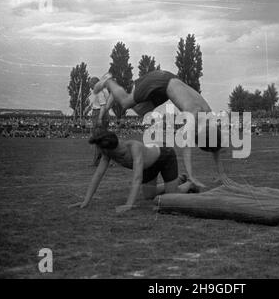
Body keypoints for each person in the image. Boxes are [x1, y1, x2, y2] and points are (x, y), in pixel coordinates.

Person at [89, 70, 230, 188]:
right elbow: (186, 146)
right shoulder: (194, 113)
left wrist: (222, 175)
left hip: (166, 88)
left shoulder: (209, 120)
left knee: (140, 110)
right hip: (160, 81)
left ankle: (116, 93)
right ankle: (109, 81)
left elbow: (215, 145)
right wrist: (191, 175)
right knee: (125, 102)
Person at [68, 129, 198, 213]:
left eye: (98, 148)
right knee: (149, 196)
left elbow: (137, 178)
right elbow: (98, 175)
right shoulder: (108, 154)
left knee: (172, 197)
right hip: (148, 166)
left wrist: (129, 204)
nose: (97, 151)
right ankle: (180, 179)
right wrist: (85, 202)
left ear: (107, 149)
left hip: (165, 156)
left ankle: (190, 183)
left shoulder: (134, 147)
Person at [84, 83, 110, 166]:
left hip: (99, 113)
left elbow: (102, 105)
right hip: (104, 113)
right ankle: (106, 160)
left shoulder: (99, 92)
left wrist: (99, 118)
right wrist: (89, 108)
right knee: (103, 138)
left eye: (91, 84)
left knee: (98, 138)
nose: (91, 87)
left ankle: (97, 161)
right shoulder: (105, 90)